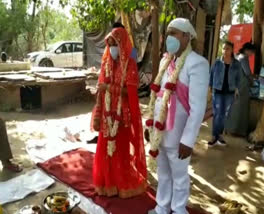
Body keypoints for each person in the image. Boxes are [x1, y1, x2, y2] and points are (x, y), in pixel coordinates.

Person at [147, 18, 209, 214]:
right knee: (163, 173)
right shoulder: (166, 61)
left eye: (174, 33)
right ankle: (162, 208)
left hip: (179, 135)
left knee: (179, 176)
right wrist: (151, 126)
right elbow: (158, 97)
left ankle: (178, 209)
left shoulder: (197, 63)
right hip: (160, 131)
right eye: (168, 33)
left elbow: (197, 107)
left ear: (186, 36)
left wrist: (188, 140)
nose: (169, 37)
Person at [92, 27, 147, 198]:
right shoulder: (106, 62)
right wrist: (98, 113)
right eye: (109, 45)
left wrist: (108, 87)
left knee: (120, 150)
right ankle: (107, 184)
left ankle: (120, 183)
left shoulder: (130, 64)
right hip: (107, 114)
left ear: (121, 44)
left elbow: (130, 92)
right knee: (104, 149)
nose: (111, 49)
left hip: (121, 114)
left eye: (114, 44)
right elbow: (100, 89)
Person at [209, 41, 242, 146]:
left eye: (227, 48)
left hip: (230, 92)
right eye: (223, 48)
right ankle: (215, 136)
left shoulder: (236, 64)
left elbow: (239, 78)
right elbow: (211, 74)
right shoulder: (217, 62)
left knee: (224, 115)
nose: (225, 51)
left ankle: (219, 135)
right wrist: (210, 88)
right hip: (217, 91)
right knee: (217, 114)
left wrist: (237, 89)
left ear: (232, 50)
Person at [225, 42, 256, 137]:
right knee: (240, 109)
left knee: (233, 108)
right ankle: (237, 130)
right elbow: (247, 73)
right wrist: (253, 81)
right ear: (247, 50)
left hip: (235, 85)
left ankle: (228, 128)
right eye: (252, 52)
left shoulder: (237, 56)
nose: (252, 54)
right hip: (242, 87)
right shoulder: (243, 58)